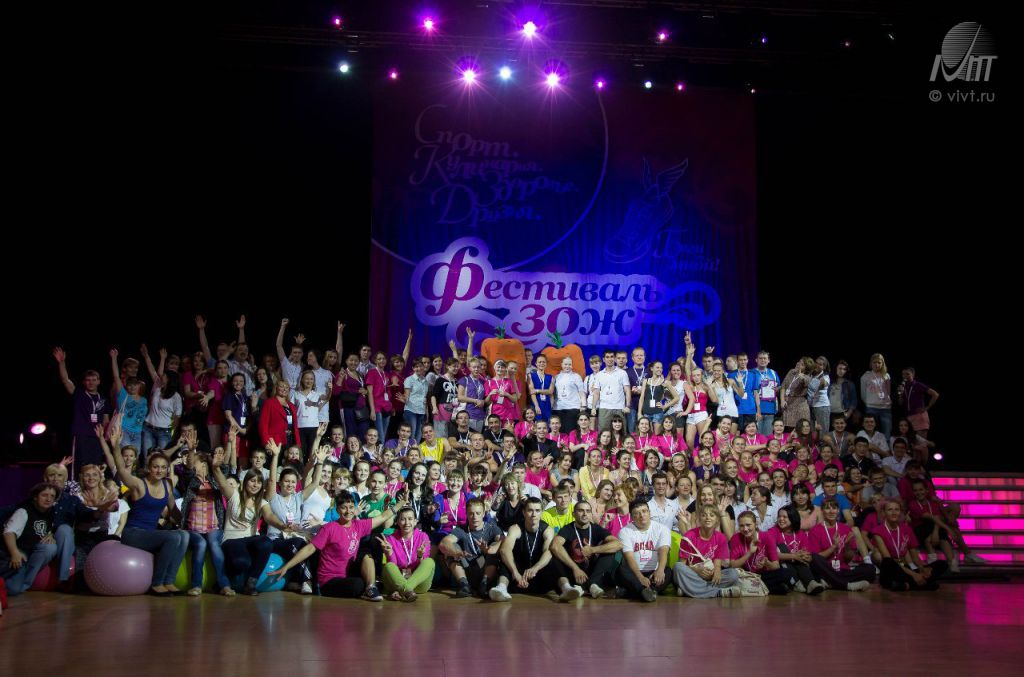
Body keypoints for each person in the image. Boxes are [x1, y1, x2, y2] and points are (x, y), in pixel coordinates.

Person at [268, 493, 406, 601]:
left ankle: (371, 588)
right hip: (329, 581)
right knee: (357, 584)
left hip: (347, 574)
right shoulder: (329, 528)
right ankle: (365, 588)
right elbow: (310, 549)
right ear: (338, 509)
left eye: (351, 507)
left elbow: (382, 517)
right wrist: (286, 567)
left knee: (366, 553)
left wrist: (401, 503)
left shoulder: (358, 525)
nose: (348, 511)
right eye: (344, 507)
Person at [102, 428, 188, 595]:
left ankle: (169, 581)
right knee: (173, 537)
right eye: (155, 467)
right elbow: (121, 470)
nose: (159, 470)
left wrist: (186, 523)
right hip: (133, 533)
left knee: (183, 535)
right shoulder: (139, 484)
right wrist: (116, 446)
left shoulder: (167, 485)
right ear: (149, 468)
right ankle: (157, 583)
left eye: (163, 467)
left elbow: (173, 510)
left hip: (151, 533)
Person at [53, 347, 112, 475]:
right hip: (81, 435)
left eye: (94, 380)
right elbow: (65, 380)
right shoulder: (79, 394)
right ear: (84, 382)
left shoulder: (103, 399)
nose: (91, 382)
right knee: (80, 465)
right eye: (88, 380)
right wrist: (62, 362)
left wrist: (105, 437)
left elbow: (106, 420)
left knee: (95, 466)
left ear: (99, 381)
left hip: (97, 438)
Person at [550, 501, 623, 600]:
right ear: (573, 514)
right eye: (581, 510)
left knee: (610, 552)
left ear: (591, 514)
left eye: (588, 511)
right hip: (572, 573)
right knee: (554, 555)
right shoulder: (568, 529)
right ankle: (567, 588)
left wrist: (593, 550)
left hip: (591, 574)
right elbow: (555, 546)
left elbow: (618, 544)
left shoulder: (596, 528)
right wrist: (575, 568)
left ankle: (592, 585)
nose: (585, 514)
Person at [489, 497, 556, 601]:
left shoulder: (547, 530)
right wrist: (515, 572)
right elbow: (505, 550)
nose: (534, 514)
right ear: (524, 512)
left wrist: (536, 568)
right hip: (517, 574)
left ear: (541, 513)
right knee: (506, 558)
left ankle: (565, 587)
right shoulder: (515, 528)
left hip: (537, 573)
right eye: (530, 510)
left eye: (537, 510)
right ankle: (501, 588)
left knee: (553, 558)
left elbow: (548, 552)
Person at [871, 499, 946, 591]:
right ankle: (920, 584)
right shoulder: (877, 531)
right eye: (890, 510)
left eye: (897, 509)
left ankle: (906, 585)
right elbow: (887, 558)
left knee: (942, 564)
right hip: (891, 569)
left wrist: (922, 569)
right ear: (884, 513)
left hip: (905, 568)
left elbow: (915, 557)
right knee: (888, 561)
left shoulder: (907, 529)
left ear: (900, 512)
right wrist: (914, 575)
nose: (894, 512)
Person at [1, 484, 60, 596]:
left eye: (52, 496)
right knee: (13, 589)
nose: (48, 499)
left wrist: (50, 535)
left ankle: (24, 584)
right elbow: (9, 533)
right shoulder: (23, 511)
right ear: (35, 497)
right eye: (44, 495)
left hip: (28, 554)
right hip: (12, 553)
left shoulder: (50, 512)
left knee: (50, 547)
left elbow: (43, 530)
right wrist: (15, 553)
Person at [439, 498, 504, 598]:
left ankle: (484, 585)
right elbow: (443, 543)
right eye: (471, 513)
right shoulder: (461, 529)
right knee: (451, 548)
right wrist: (458, 552)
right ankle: (464, 586)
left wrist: (490, 549)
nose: (474, 517)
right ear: (466, 514)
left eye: (478, 513)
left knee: (494, 548)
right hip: (467, 569)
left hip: (484, 569)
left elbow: (503, 540)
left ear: (483, 514)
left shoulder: (492, 528)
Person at [808, 498, 876, 591]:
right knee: (814, 559)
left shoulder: (845, 528)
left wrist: (847, 546)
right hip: (826, 568)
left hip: (842, 569)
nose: (831, 511)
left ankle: (832, 582)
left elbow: (848, 559)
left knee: (870, 570)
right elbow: (817, 557)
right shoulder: (815, 530)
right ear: (822, 511)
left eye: (834, 508)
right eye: (827, 508)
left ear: (838, 510)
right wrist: (834, 547)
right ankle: (847, 585)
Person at [675, 505, 742, 598]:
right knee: (678, 567)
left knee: (733, 575)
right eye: (704, 515)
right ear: (699, 519)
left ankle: (690, 589)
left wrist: (717, 571)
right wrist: (696, 570)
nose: (708, 518)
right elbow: (683, 564)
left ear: (717, 520)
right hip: (693, 574)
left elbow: (717, 563)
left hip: (710, 575)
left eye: (712, 515)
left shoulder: (721, 537)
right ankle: (717, 593)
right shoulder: (689, 536)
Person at [615, 500, 671, 602]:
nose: (642, 515)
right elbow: (629, 557)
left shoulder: (662, 529)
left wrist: (660, 570)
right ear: (632, 517)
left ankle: (630, 592)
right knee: (621, 570)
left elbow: (663, 551)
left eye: (644, 511)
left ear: (650, 513)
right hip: (634, 573)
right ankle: (648, 592)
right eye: (637, 513)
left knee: (668, 571)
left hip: (653, 573)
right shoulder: (625, 532)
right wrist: (640, 577)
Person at [378, 507, 434, 601]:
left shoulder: (423, 537)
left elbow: (423, 569)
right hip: (397, 583)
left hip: (418, 585)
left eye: (410, 519)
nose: (407, 523)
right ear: (397, 522)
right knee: (389, 566)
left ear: (415, 521)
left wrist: (420, 556)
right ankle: (407, 590)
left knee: (429, 562)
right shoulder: (390, 539)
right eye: (403, 519)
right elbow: (393, 566)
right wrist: (389, 553)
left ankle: (405, 589)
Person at [729, 511, 791, 595]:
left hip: (763, 575)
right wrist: (750, 552)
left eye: (748, 525)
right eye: (741, 526)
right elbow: (733, 565)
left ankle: (755, 587)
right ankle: (766, 588)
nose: (745, 529)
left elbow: (776, 566)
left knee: (786, 573)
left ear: (756, 524)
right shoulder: (735, 538)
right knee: (732, 574)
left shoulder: (767, 536)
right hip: (746, 575)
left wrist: (767, 563)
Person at [771, 504, 827, 595]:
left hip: (799, 564)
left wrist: (804, 556)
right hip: (782, 565)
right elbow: (772, 554)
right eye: (779, 516)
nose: (781, 519)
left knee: (809, 557)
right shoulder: (773, 531)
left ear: (793, 518)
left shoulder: (800, 533)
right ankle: (796, 583)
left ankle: (811, 583)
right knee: (782, 547)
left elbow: (806, 552)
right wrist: (794, 556)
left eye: (784, 517)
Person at [591, 350, 631, 432]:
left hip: (619, 408)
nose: (610, 359)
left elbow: (627, 390)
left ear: (615, 359)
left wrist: (627, 406)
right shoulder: (599, 375)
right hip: (604, 408)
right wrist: (593, 407)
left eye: (612, 357)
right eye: (607, 357)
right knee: (603, 433)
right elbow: (596, 393)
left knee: (621, 433)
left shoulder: (622, 373)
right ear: (603, 359)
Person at [861, 354, 893, 437]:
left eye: (879, 362)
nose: (877, 364)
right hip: (871, 408)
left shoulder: (886, 375)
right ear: (871, 363)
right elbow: (863, 394)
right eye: (874, 362)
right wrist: (869, 402)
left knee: (886, 433)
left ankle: (886, 446)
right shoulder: (866, 376)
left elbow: (888, 392)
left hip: (885, 408)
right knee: (870, 433)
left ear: (882, 364)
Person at [753, 351, 781, 437]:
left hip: (770, 408)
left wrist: (777, 389)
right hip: (755, 409)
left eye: (765, 358)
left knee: (768, 436)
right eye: (760, 358)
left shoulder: (773, 373)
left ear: (769, 360)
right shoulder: (751, 372)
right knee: (757, 436)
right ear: (756, 360)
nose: (763, 360)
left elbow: (779, 386)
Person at [780, 358, 813, 430]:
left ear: (806, 369)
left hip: (799, 406)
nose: (798, 364)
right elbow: (783, 386)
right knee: (788, 428)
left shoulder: (807, 377)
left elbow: (806, 382)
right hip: (787, 404)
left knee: (799, 429)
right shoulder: (791, 372)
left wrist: (802, 377)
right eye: (799, 361)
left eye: (802, 364)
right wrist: (782, 401)